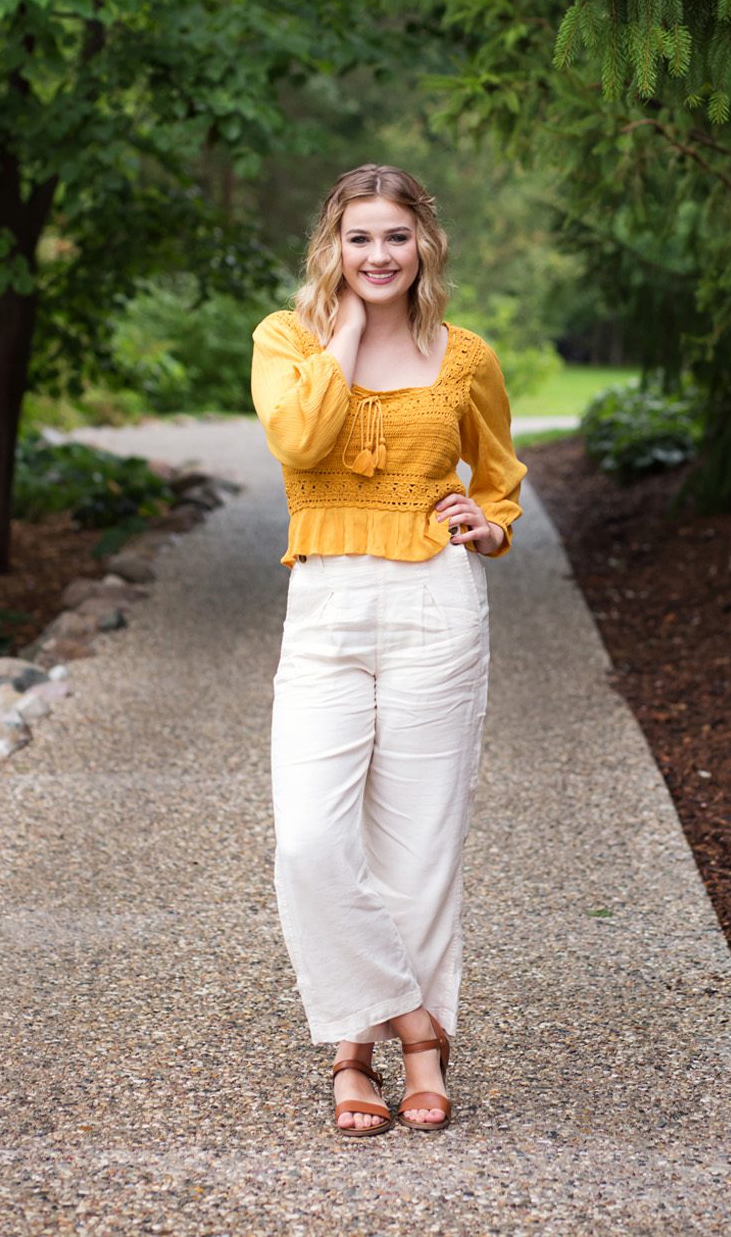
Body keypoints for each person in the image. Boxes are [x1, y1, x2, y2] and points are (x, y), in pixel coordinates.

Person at [247, 163, 527, 1137]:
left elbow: (498, 476)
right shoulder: (286, 343)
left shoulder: (463, 356)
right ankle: (412, 1015)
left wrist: (486, 525)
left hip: (433, 610)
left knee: (417, 846)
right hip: (325, 608)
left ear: (423, 245)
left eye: (394, 237)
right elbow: (297, 438)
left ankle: (377, 1055)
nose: (377, 255)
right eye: (358, 238)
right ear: (332, 246)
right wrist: (348, 330)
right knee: (310, 843)